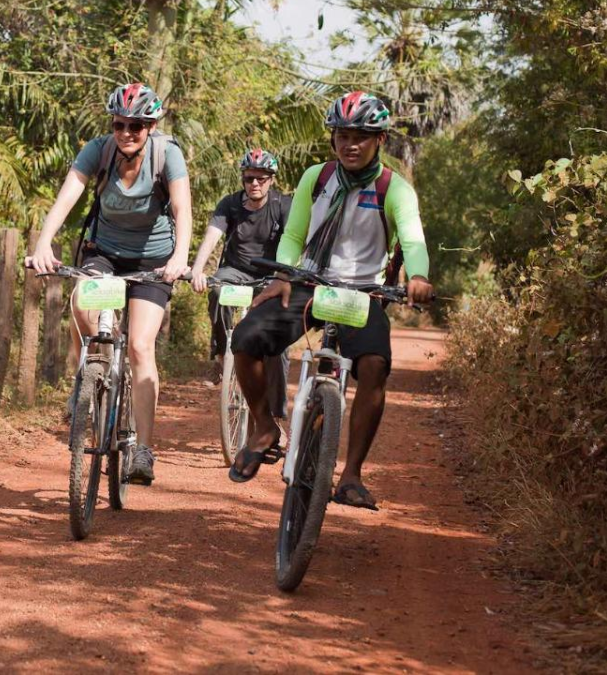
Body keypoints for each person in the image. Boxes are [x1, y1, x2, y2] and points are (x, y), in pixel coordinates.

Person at [227, 91, 434, 510]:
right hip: (309, 282)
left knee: (374, 366)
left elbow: (412, 239)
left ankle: (352, 475)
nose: (350, 144)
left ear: (380, 140)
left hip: (364, 292)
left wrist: (418, 276)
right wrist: (284, 273)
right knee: (246, 338)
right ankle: (264, 428)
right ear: (332, 139)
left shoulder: (395, 189)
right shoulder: (316, 178)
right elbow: (293, 234)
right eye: (342, 135)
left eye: (361, 135)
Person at [28, 83, 192, 485]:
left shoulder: (166, 154)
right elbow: (68, 196)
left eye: (136, 126)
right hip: (104, 251)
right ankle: (89, 372)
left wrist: (180, 258)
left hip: (154, 261)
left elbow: (182, 208)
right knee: (83, 303)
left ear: (150, 126)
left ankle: (143, 450)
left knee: (138, 345)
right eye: (120, 125)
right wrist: (43, 244)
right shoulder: (98, 150)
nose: (127, 133)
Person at [189, 149, 291, 415]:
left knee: (277, 347)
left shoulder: (283, 205)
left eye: (261, 178)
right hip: (236, 271)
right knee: (217, 288)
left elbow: (296, 243)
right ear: (242, 180)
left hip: (272, 277)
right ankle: (223, 353)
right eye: (249, 178)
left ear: (271, 180)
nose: (254, 184)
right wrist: (197, 270)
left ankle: (277, 415)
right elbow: (212, 236)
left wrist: (288, 278)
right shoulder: (230, 204)